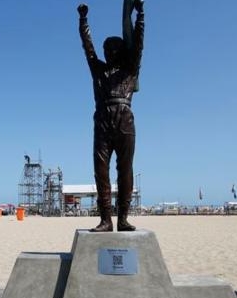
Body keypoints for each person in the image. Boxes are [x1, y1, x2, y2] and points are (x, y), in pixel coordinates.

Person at [77, 0, 144, 232]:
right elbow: (88, 47)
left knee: (125, 169)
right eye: (104, 49)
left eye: (110, 49)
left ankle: (123, 218)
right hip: (103, 120)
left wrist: (140, 15)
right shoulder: (99, 70)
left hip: (124, 118)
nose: (106, 52)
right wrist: (83, 20)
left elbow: (138, 45)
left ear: (118, 51)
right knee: (100, 170)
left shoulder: (130, 69)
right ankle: (106, 219)